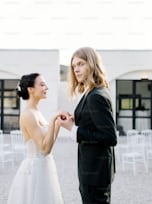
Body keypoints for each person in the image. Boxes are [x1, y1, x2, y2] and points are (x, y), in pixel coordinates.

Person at [61, 47, 118, 204]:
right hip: (94, 169)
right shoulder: (92, 92)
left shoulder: (96, 96)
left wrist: (72, 129)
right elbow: (96, 123)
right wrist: (77, 119)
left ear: (92, 64)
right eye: (74, 66)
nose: (76, 70)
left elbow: (110, 137)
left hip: (95, 172)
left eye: (81, 64)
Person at [7, 73, 65, 204]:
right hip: (35, 170)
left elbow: (48, 144)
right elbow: (44, 149)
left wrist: (58, 124)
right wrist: (52, 120)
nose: (47, 88)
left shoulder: (37, 112)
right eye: (42, 85)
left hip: (45, 166)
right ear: (30, 89)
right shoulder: (28, 115)